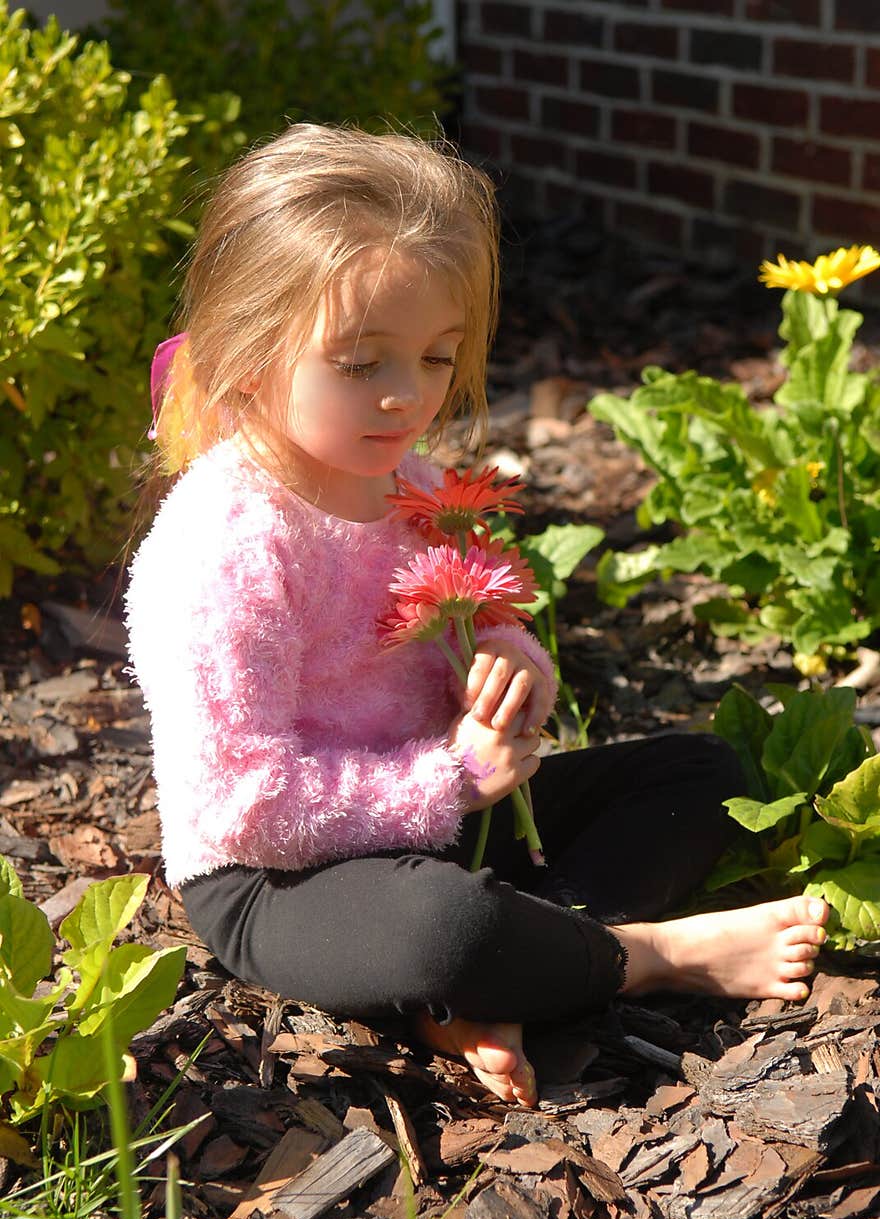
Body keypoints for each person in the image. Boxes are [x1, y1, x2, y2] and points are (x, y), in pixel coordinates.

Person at [124, 123, 828, 1109]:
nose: (408, 394)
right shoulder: (223, 547)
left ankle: (496, 980)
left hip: (443, 821)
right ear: (247, 355)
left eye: (437, 355)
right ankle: (640, 956)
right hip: (279, 879)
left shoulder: (411, 484)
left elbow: (479, 602)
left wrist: (505, 659)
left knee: (699, 773)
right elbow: (248, 805)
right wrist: (448, 777)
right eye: (363, 363)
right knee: (437, 927)